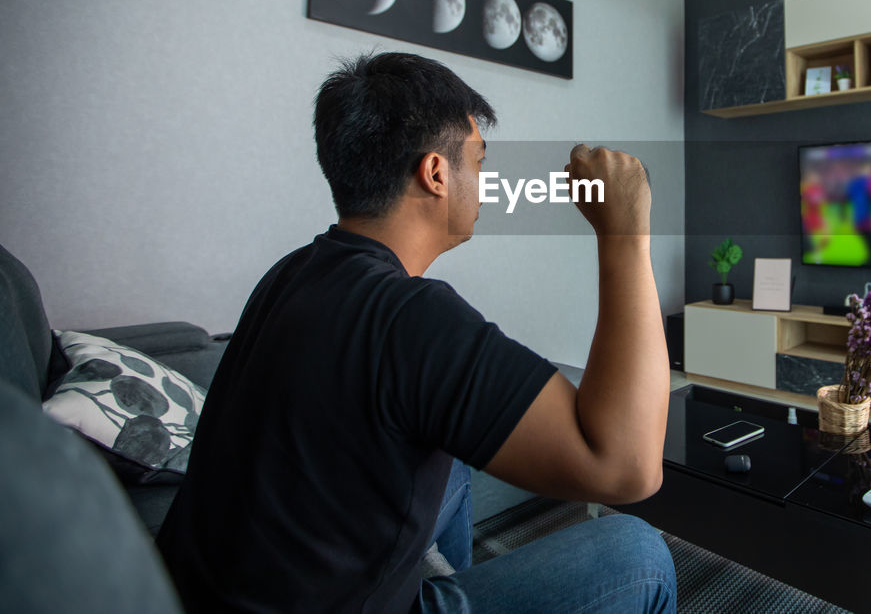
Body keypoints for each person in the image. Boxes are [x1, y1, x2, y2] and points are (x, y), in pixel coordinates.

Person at [157, 52, 676, 613]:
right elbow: (626, 468)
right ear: (434, 173)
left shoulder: (292, 270)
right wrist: (625, 234)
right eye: (478, 161)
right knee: (639, 552)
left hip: (204, 591)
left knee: (452, 461)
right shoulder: (411, 317)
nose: (485, 180)